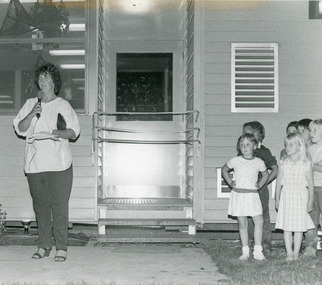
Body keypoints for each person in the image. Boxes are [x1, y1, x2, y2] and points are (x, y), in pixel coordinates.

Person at [13, 63, 80, 262]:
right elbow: (20, 128)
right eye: (40, 78)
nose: (42, 81)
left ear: (54, 82)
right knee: (40, 207)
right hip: (35, 166)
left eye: (46, 78)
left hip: (59, 165)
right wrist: (33, 112)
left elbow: (74, 131)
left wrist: (57, 133)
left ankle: (61, 247)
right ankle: (43, 245)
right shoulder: (30, 103)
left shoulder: (62, 105)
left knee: (59, 206)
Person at [222, 133, 269, 260]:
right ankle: (245, 251)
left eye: (248, 144)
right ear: (238, 147)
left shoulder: (259, 162)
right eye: (242, 145)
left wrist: (259, 184)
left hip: (252, 195)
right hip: (239, 195)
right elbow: (224, 169)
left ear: (255, 146)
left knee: (259, 221)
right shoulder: (235, 160)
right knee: (242, 224)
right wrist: (230, 182)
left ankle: (258, 251)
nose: (245, 147)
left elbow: (266, 175)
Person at [275, 132, 314, 261]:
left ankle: (296, 252)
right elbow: (279, 183)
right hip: (287, 197)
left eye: (291, 144)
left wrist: (310, 201)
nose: (288, 147)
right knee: (287, 226)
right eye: (286, 144)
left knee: (298, 227)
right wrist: (277, 198)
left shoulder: (306, 163)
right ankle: (289, 253)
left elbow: (310, 184)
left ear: (300, 145)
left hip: (300, 197)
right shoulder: (283, 163)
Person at [242, 121, 278, 252]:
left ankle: (265, 244)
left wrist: (263, 183)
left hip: (260, 190)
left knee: (262, 215)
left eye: (246, 133)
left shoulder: (264, 151)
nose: (243, 135)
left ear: (257, 135)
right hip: (246, 190)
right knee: (247, 215)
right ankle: (251, 242)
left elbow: (274, 169)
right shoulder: (243, 150)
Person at [303, 119, 322, 256]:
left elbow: (312, 166)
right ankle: (310, 248)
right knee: (311, 218)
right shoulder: (309, 149)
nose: (311, 133)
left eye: (315, 130)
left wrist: (314, 166)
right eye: (310, 130)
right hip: (311, 187)